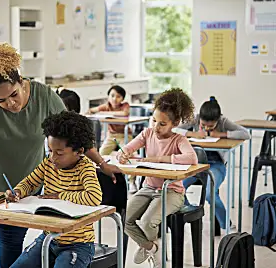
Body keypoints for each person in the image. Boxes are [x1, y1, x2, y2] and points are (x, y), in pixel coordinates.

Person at [0, 41, 121, 267]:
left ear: (21, 82)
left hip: (23, 192)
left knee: (10, 244)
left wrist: (102, 163)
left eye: (13, 95)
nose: (10, 104)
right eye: (1, 101)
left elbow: (75, 133)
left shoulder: (44, 96)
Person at [7, 111, 101, 268]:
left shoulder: (85, 168)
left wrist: (60, 195)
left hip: (78, 244)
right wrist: (17, 191)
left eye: (59, 153)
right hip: (48, 239)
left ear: (79, 152)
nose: (52, 157)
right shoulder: (48, 164)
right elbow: (30, 182)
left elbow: (94, 197)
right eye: (50, 151)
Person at [117, 88, 198, 266]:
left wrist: (159, 159)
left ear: (175, 122)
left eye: (162, 124)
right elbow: (127, 148)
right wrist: (123, 153)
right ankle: (152, 248)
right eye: (154, 120)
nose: (156, 126)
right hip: (148, 188)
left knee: (147, 222)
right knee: (124, 220)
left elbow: (192, 158)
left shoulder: (179, 140)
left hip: (172, 192)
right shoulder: (147, 133)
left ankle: (156, 257)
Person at [172, 96, 250, 230]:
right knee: (176, 188)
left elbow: (245, 134)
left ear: (218, 120)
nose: (207, 128)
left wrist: (222, 134)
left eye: (211, 126)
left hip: (216, 165)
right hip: (195, 165)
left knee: (209, 193)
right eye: (203, 125)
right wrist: (192, 134)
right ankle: (191, 211)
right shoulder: (195, 119)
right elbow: (174, 129)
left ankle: (226, 224)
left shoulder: (223, 121)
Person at [87, 85, 137, 192]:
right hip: (111, 136)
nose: (115, 99)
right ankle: (102, 178)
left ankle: (131, 181)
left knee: (128, 155)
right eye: (112, 96)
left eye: (118, 96)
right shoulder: (106, 106)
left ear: (122, 99)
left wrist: (105, 113)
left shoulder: (125, 105)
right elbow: (92, 110)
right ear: (108, 97)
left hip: (125, 135)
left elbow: (124, 113)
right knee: (101, 153)